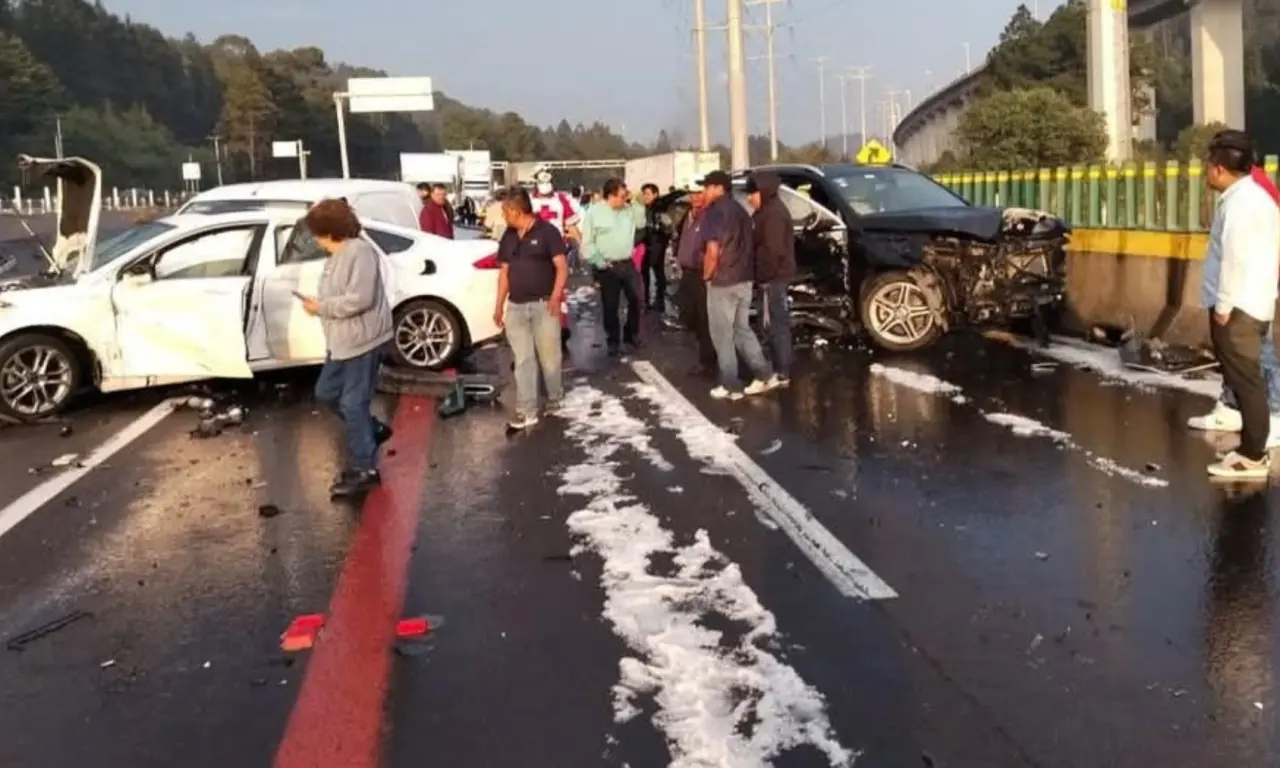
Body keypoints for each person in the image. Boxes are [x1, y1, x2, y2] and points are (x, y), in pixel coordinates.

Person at [296, 198, 394, 497]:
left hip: (363, 340)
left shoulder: (359, 252)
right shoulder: (335, 255)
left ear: (330, 230)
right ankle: (372, 430)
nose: (315, 239)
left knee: (353, 403)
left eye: (317, 232)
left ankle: (366, 468)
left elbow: (360, 298)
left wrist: (322, 307)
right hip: (341, 342)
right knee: (326, 393)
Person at [1200, 129, 1280, 479]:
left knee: (1247, 381)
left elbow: (1234, 259)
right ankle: (1251, 447)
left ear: (1218, 169)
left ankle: (1253, 454)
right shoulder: (1253, 198)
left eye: (1208, 166)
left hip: (1239, 308)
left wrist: (1223, 305)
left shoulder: (1240, 204)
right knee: (1246, 379)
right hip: (1254, 300)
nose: (1206, 172)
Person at [494, 186, 569, 431]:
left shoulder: (548, 232)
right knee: (523, 359)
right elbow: (504, 273)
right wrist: (499, 305)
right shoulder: (508, 235)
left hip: (543, 305)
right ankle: (527, 410)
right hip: (516, 307)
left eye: (505, 211)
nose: (503, 215)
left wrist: (556, 298)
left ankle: (555, 398)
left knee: (549, 358)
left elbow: (562, 267)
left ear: (516, 210)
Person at [699, 171, 778, 399]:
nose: (704, 192)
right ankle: (764, 374)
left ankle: (730, 384)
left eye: (707, 187)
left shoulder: (714, 213)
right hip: (744, 280)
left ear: (718, 188)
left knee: (722, 334)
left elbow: (713, 250)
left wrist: (706, 276)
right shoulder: (741, 212)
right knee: (742, 330)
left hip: (723, 281)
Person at [581, 178, 643, 355]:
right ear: (610, 196)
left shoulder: (629, 210)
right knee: (610, 304)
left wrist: (634, 201)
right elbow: (587, 243)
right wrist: (599, 261)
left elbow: (641, 223)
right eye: (621, 197)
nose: (624, 200)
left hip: (627, 262)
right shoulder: (594, 213)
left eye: (625, 196)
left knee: (636, 299)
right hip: (607, 265)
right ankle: (613, 340)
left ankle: (631, 335)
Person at [745, 171, 795, 386]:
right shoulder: (765, 211)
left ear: (763, 191)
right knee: (772, 323)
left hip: (772, 278)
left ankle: (781, 370)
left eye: (752, 193)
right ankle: (779, 368)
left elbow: (774, 251)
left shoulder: (773, 214)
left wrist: (763, 276)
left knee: (775, 324)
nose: (749, 198)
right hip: (770, 277)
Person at [674, 180, 718, 374]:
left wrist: (708, 272)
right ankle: (706, 353)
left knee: (704, 319)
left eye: (699, 192)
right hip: (687, 272)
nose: (696, 196)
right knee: (687, 314)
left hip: (702, 273)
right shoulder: (688, 215)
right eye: (692, 192)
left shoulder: (710, 216)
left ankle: (709, 360)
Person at [640, 183, 671, 314]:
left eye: (647, 193)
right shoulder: (649, 207)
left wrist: (659, 233)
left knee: (649, 273)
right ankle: (656, 302)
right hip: (651, 243)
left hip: (656, 244)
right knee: (657, 273)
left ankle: (652, 302)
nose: (645, 196)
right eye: (644, 194)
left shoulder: (659, 207)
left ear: (655, 194)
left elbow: (667, 226)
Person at [529, 167, 582, 244]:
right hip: (534, 245)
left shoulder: (561, 199)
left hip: (557, 244)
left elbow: (571, 225)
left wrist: (581, 244)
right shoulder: (528, 200)